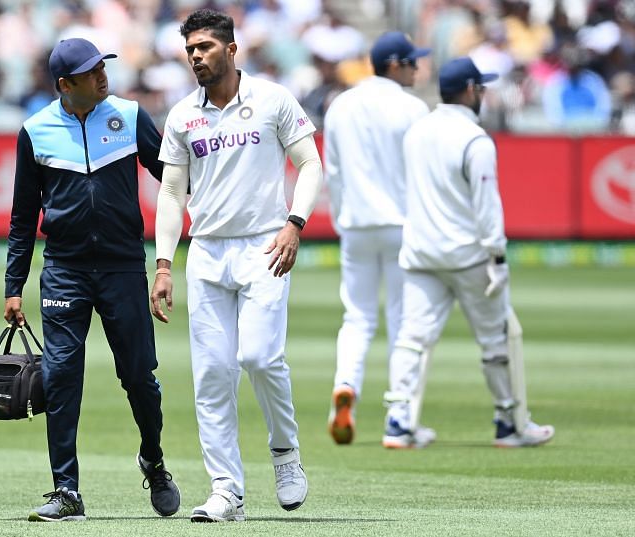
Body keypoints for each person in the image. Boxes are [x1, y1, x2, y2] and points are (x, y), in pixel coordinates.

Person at [149, 9, 323, 523]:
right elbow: (171, 193)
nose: (195, 57)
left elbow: (310, 163)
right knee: (212, 374)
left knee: (261, 358)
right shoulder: (183, 115)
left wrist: (295, 223)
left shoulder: (273, 99)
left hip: (265, 246)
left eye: (204, 47)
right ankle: (226, 490)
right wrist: (162, 264)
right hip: (206, 252)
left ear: (230, 49)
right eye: (189, 50)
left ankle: (285, 454)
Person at [3, 37, 181, 522]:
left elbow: (171, 177)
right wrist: (13, 285)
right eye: (90, 71)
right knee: (60, 378)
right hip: (64, 270)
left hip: (124, 267)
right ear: (65, 84)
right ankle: (67, 491)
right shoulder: (35, 130)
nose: (102, 75)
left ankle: (155, 462)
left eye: (103, 66)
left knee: (140, 378)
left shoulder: (130, 114)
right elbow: (23, 216)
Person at [381, 57, 555, 449]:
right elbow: (487, 205)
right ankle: (510, 422)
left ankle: (398, 420)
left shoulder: (417, 131)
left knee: (412, 339)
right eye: (482, 88)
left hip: (421, 254)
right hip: (468, 256)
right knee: (496, 340)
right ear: (472, 90)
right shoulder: (475, 139)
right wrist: (497, 256)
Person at [323, 31, 431, 446]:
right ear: (395, 64)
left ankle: (345, 387)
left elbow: (332, 171)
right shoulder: (414, 108)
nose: (418, 69)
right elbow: (424, 173)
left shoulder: (342, 105)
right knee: (404, 322)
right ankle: (399, 416)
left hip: (356, 223)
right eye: (412, 62)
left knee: (357, 318)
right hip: (404, 224)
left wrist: (342, 220)